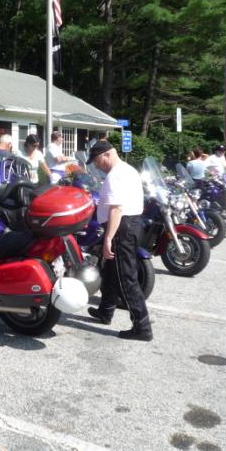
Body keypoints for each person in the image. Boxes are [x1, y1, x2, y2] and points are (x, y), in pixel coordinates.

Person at [85, 140, 151, 341]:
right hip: (131, 224)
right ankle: (105, 311)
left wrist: (108, 238)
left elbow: (116, 209)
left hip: (121, 227)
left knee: (126, 277)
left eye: (97, 161)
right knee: (111, 271)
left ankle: (142, 327)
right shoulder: (129, 170)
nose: (97, 166)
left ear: (106, 155)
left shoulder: (115, 175)